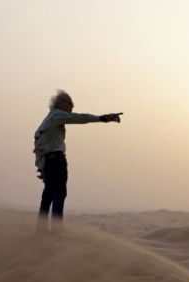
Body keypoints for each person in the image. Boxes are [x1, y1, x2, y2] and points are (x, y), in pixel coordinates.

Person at [33, 89, 122, 234]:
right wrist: (102, 118)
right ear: (61, 103)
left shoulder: (48, 120)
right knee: (59, 194)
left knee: (48, 195)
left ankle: (41, 231)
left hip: (49, 162)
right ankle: (57, 231)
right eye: (70, 104)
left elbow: (38, 143)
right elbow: (80, 118)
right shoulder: (56, 115)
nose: (71, 108)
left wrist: (42, 166)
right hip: (56, 161)